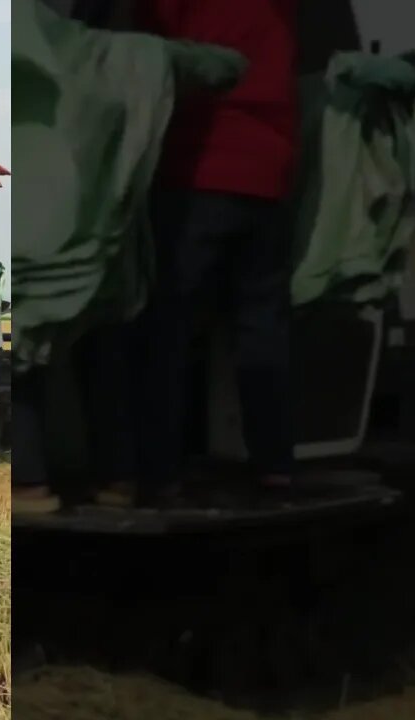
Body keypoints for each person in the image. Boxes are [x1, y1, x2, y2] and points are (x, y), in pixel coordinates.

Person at [124, 0, 299, 505]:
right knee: (262, 327)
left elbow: (143, 51)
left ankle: (159, 471)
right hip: (269, 174)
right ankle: (276, 465)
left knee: (168, 330)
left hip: (196, 169)